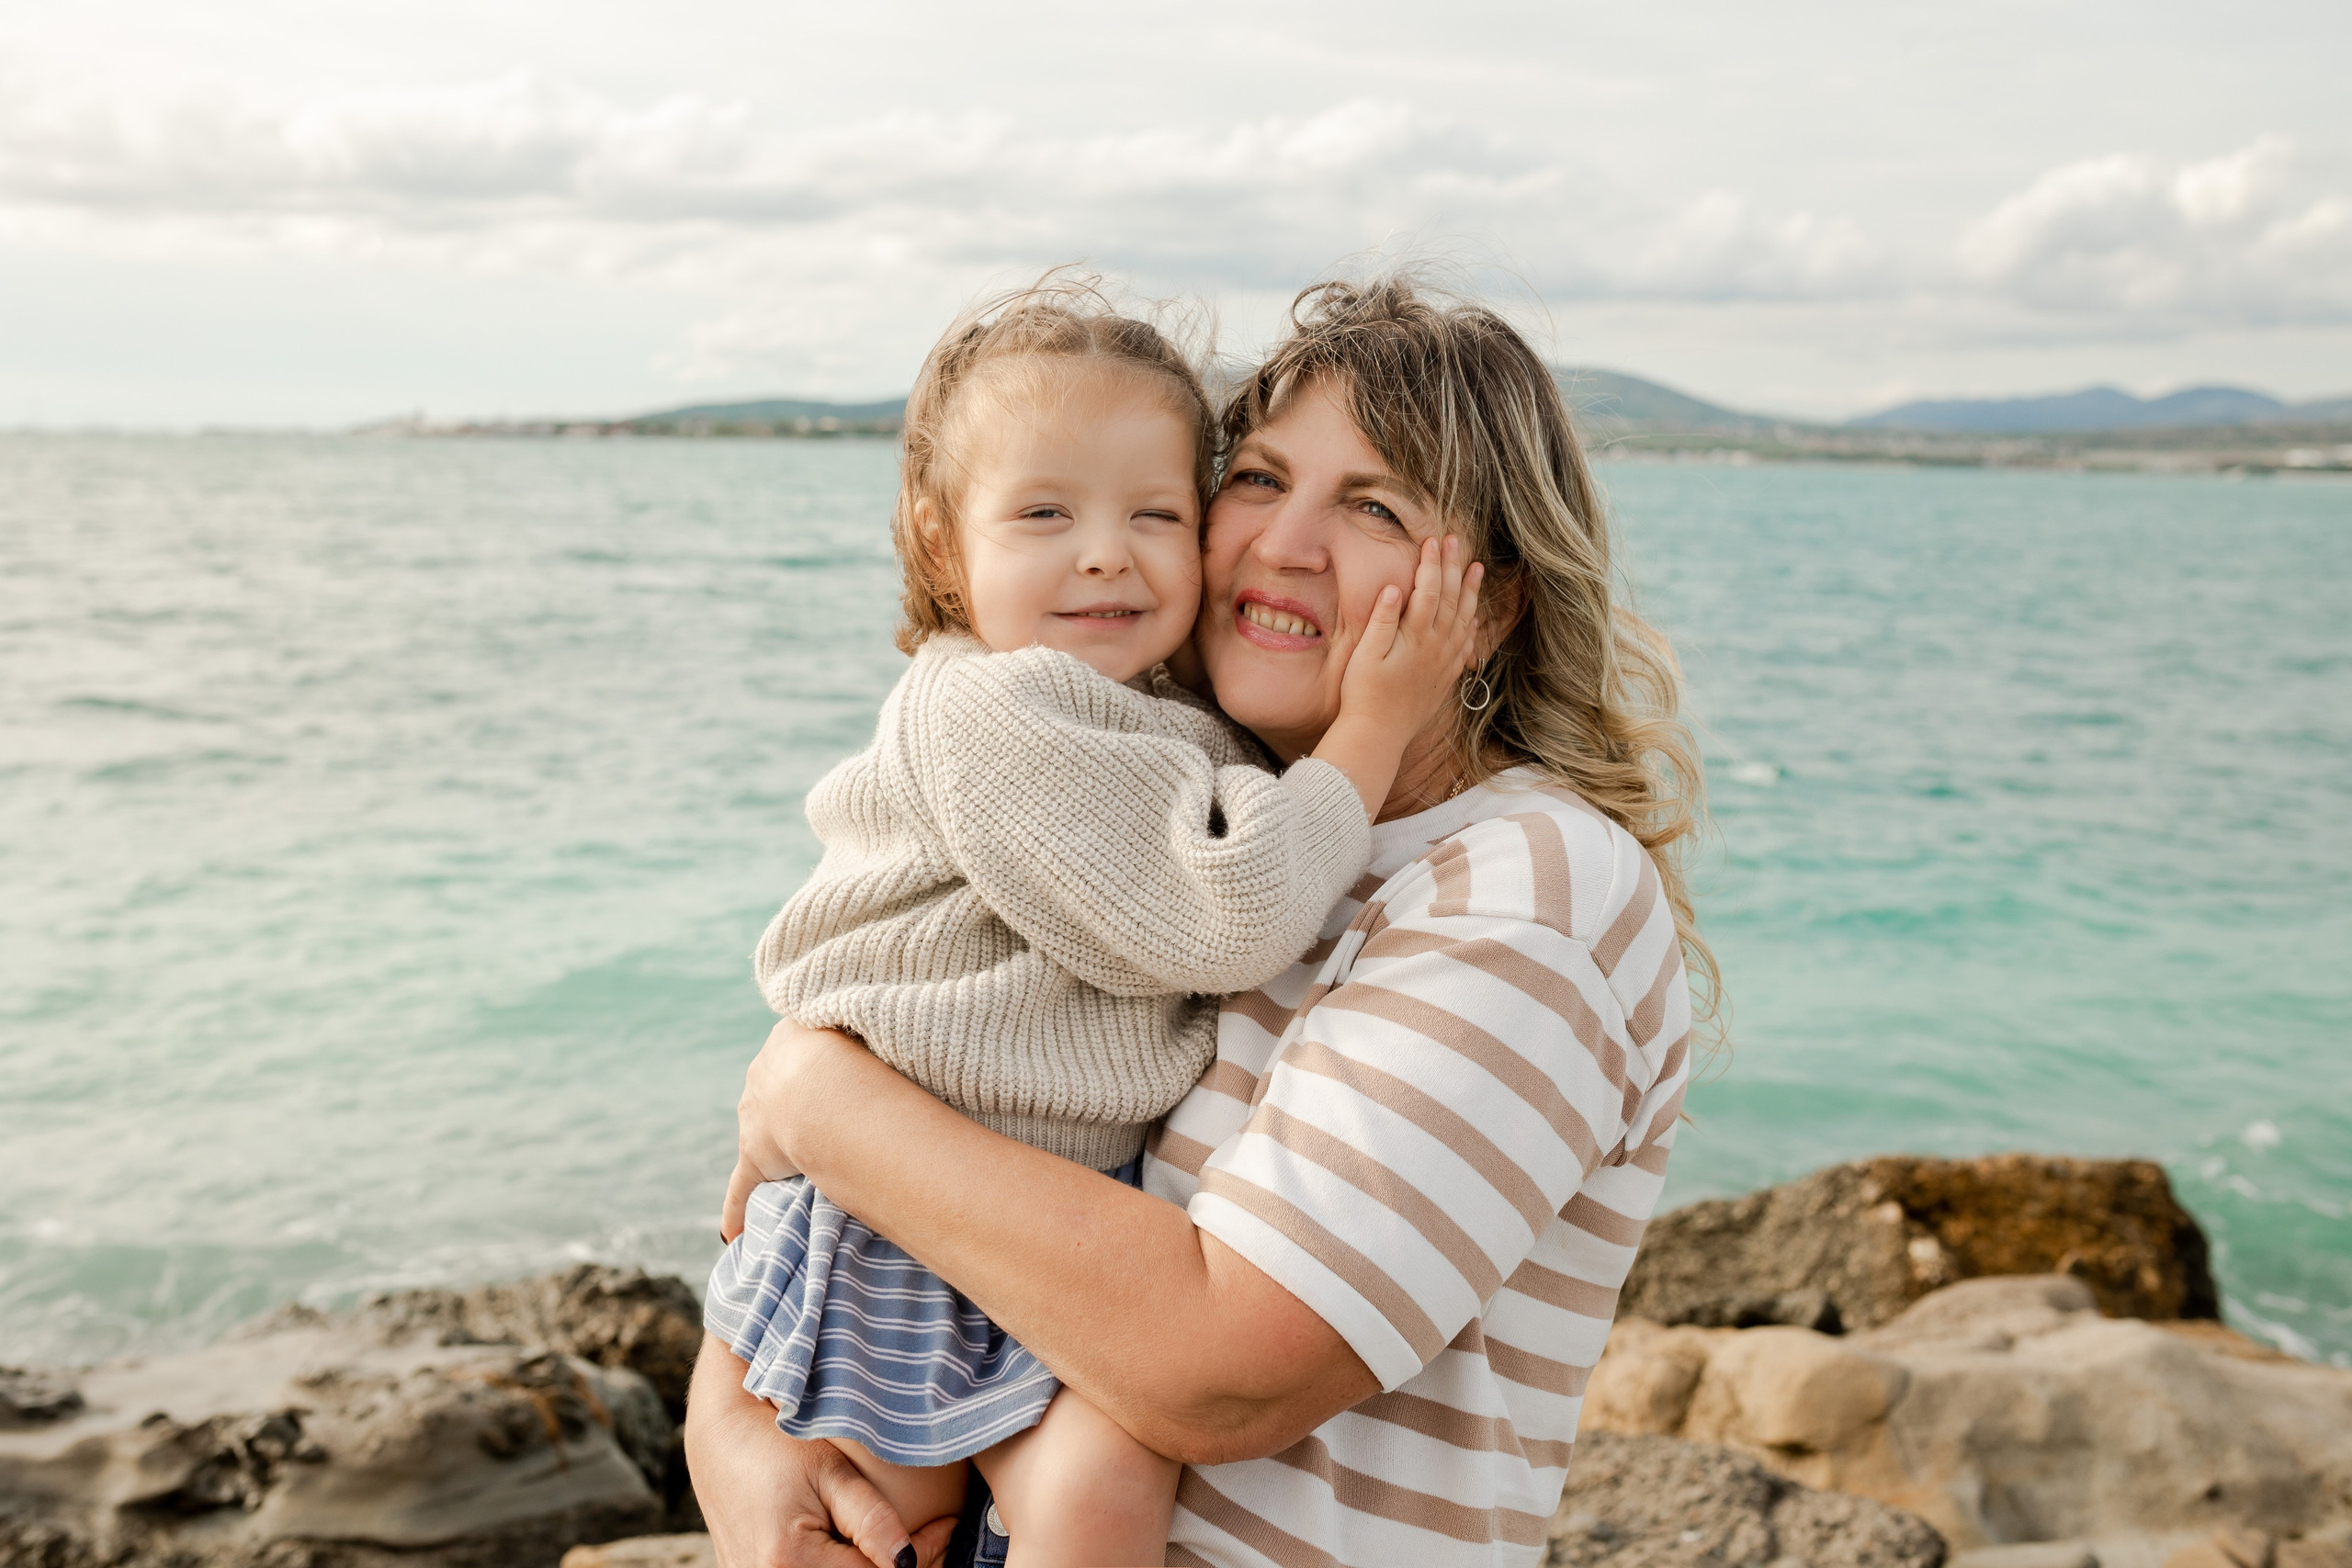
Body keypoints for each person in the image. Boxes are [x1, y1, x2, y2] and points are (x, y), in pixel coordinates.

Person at [688, 274, 1718, 1568]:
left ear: (1494, 606)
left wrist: (811, 1097)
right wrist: (731, 1442)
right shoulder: (1193, 812)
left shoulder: (1523, 892)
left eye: (1374, 506)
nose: (1283, 544)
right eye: (1260, 479)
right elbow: (907, 1219)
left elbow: (1216, 1372)